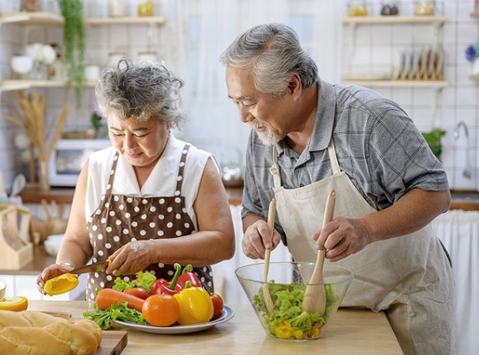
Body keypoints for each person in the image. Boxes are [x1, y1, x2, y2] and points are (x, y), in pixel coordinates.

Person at [220, 23, 454, 355]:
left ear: (292, 85)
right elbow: (255, 207)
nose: (242, 116)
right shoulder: (264, 136)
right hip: (322, 312)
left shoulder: (369, 118)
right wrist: (255, 228)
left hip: (401, 304)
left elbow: (435, 193)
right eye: (235, 102)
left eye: (248, 101)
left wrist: (366, 229)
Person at [37, 59, 235, 300]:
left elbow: (223, 243)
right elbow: (78, 240)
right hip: (109, 317)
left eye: (141, 133)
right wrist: (67, 266)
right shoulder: (97, 167)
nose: (128, 145)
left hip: (182, 319)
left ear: (167, 122)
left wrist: (152, 250)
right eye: (117, 132)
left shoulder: (197, 166)